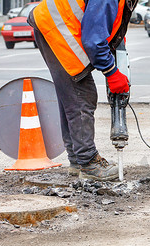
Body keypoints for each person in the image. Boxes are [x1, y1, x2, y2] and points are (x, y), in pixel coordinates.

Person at [28, 0, 137, 181]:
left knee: (70, 95)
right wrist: (111, 72)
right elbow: (93, 41)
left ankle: (77, 159)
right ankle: (88, 163)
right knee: (81, 96)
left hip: (51, 24)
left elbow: (103, 21)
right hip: (59, 28)